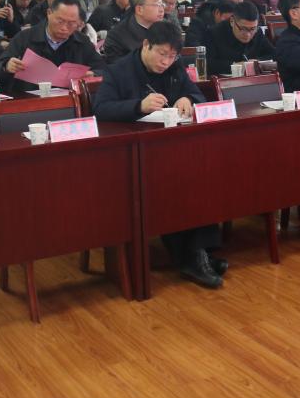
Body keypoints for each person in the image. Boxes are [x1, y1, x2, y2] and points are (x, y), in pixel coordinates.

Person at [92, 21, 224, 288]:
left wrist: (189, 99)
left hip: (172, 148)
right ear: (146, 45)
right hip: (134, 156)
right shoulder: (119, 70)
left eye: (172, 56)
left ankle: (198, 254)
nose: (166, 62)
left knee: (203, 176)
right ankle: (195, 257)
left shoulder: (175, 67)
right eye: (162, 54)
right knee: (174, 184)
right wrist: (138, 106)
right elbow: (101, 108)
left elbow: (197, 95)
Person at [0, 0, 105, 95]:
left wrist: (93, 74)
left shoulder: (82, 41)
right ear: (49, 13)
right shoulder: (25, 37)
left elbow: (103, 69)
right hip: (29, 100)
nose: (64, 28)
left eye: (71, 23)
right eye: (60, 21)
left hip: (70, 100)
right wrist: (6, 66)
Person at [204, 2, 275, 75]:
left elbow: (274, 55)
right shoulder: (213, 33)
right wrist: (235, 66)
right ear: (232, 21)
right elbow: (207, 63)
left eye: (252, 29)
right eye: (243, 28)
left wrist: (257, 62)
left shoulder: (258, 32)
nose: (247, 34)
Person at [104, 0, 166, 64]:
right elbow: (117, 67)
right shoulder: (117, 35)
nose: (162, 10)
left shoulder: (166, 28)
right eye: (157, 5)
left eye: (162, 4)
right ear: (140, 10)